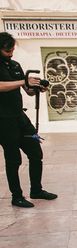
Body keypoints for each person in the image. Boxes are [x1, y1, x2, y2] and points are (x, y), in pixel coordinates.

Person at [0, 32, 57, 208]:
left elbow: (27, 90)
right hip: (3, 120)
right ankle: (16, 196)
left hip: (20, 117)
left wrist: (37, 88)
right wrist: (23, 81)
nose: (11, 51)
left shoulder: (15, 65)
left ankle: (36, 190)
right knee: (13, 159)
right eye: (7, 49)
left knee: (35, 153)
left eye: (12, 48)